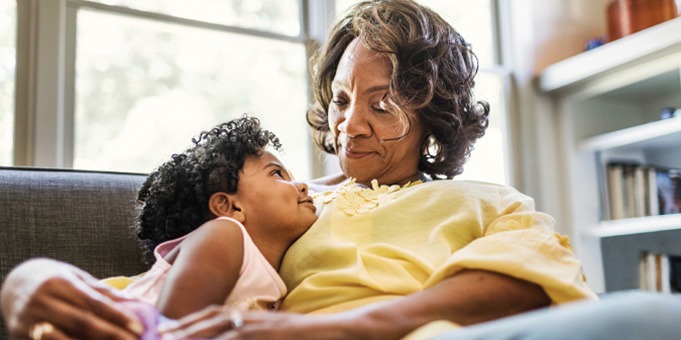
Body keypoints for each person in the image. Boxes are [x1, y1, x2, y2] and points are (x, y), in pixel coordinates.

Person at [1, 0, 602, 339]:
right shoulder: (284, 206)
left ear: (433, 116)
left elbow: (531, 285)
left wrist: (350, 329)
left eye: (382, 104)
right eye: (341, 101)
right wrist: (23, 281)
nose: (351, 126)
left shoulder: (488, 201)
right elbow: (159, 296)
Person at [1, 116, 317, 339]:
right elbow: (175, 328)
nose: (302, 186)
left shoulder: (272, 277)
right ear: (229, 206)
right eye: (277, 174)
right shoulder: (226, 235)